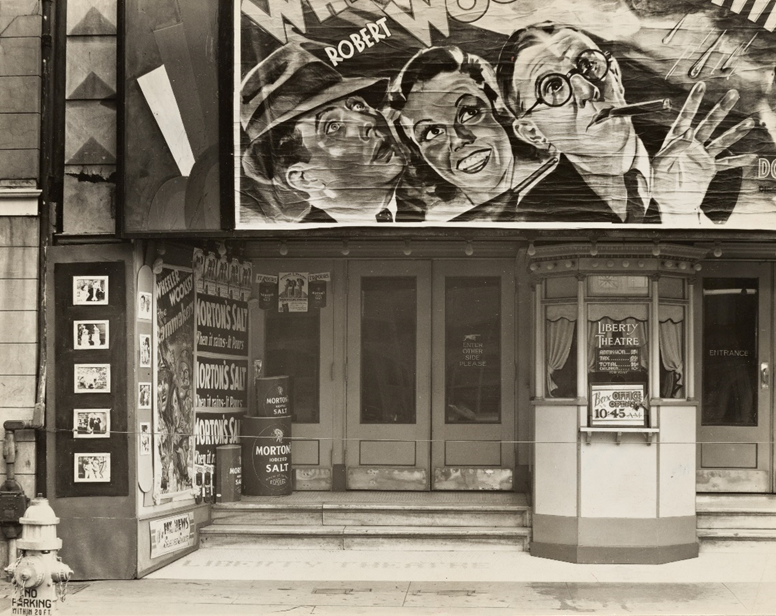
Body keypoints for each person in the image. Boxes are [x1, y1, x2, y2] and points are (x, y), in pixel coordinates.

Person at [497, 22, 757, 225]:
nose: (587, 90)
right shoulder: (538, 211)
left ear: (616, 76)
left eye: (588, 64)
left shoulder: (710, 171)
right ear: (533, 133)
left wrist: (681, 211)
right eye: (553, 86)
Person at [387, 46, 612, 222]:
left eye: (469, 112)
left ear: (496, 106)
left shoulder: (572, 178)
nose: (459, 139)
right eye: (432, 132)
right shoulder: (434, 222)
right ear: (420, 153)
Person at [240, 44, 406, 223]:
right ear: (305, 178)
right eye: (333, 127)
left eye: (358, 105)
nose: (368, 121)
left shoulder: (427, 200)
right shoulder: (304, 243)